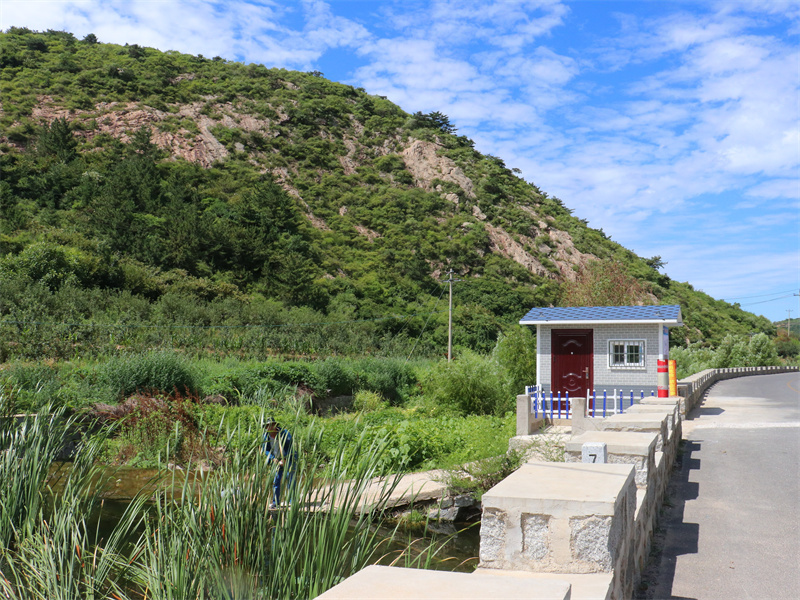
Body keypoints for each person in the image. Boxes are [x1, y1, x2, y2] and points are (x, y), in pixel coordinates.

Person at [262, 418, 295, 509]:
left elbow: (290, 447)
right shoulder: (266, 436)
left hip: (288, 458)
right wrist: (272, 458)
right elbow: (265, 450)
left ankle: (292, 502)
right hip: (276, 460)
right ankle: (275, 502)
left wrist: (285, 459)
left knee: (290, 479)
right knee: (276, 481)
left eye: (271, 425)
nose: (269, 427)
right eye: (267, 426)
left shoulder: (284, 433)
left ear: (275, 425)